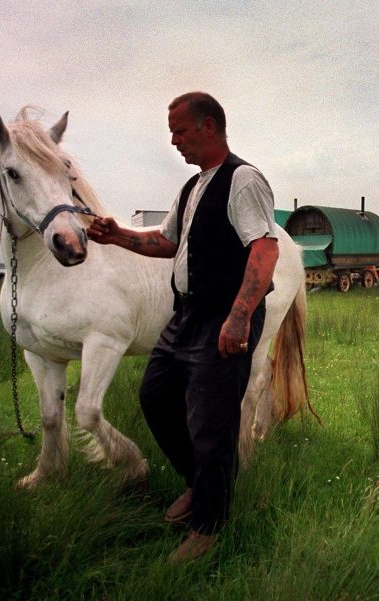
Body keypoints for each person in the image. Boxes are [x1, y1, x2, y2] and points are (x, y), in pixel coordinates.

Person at [87, 92, 279, 564]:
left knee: (212, 422)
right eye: (172, 133)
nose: (173, 141)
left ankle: (210, 529)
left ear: (209, 127)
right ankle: (200, 482)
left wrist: (239, 317)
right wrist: (117, 236)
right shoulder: (193, 187)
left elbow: (266, 249)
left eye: (180, 131)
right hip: (187, 314)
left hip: (224, 316)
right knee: (155, 396)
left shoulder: (243, 179)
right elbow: (166, 242)